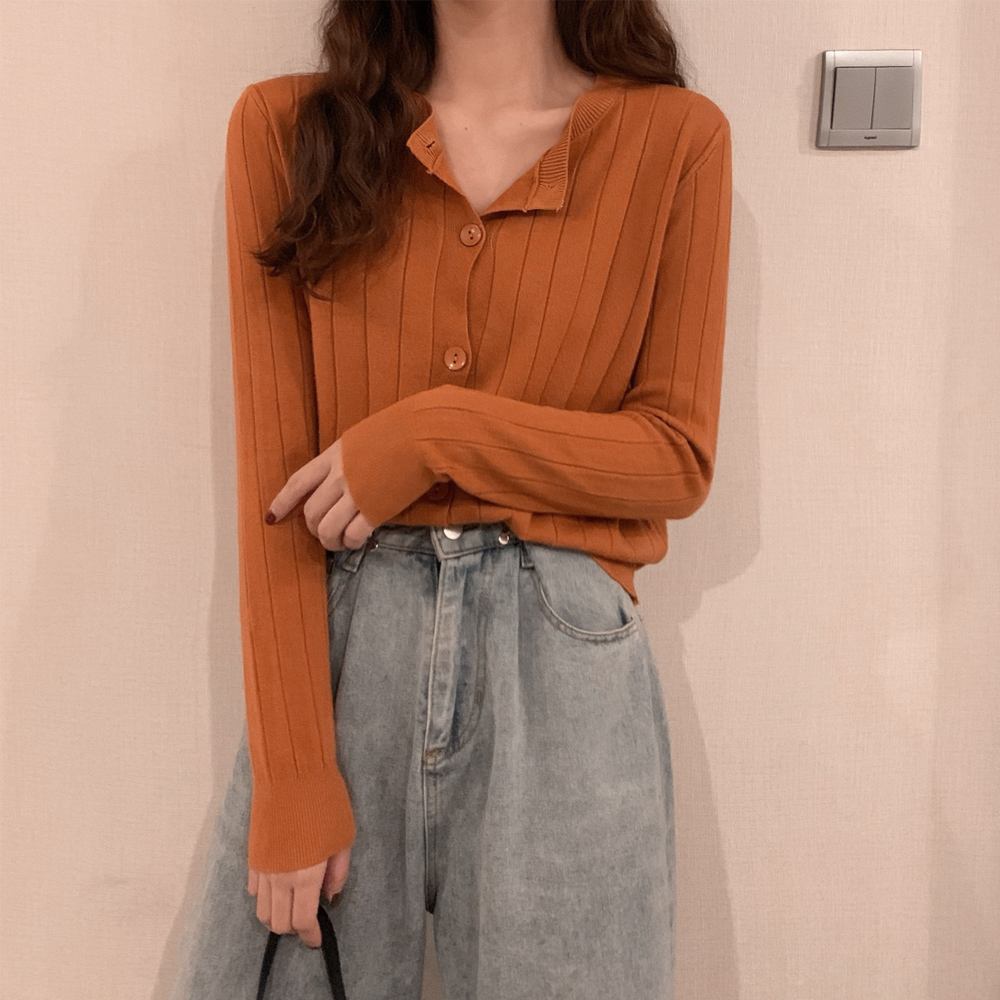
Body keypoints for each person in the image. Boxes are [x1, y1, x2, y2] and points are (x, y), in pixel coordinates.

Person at [170, 0, 732, 997]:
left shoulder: (676, 140)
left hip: (563, 670)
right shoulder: (285, 129)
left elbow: (675, 457)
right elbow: (276, 500)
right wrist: (293, 776)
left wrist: (435, 434)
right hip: (345, 658)